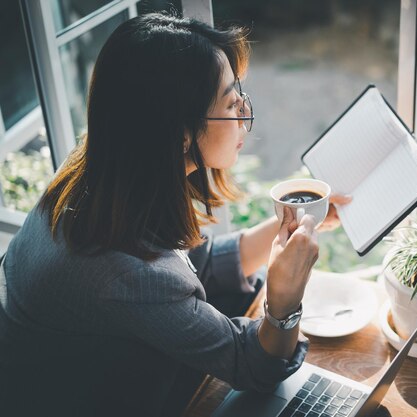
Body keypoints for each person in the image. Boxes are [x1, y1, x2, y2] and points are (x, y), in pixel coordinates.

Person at [0, 13, 351, 417]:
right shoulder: (125, 273)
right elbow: (254, 365)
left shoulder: (99, 173)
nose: (243, 115)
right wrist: (284, 300)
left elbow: (184, 268)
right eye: (230, 103)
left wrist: (286, 222)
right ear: (180, 133)